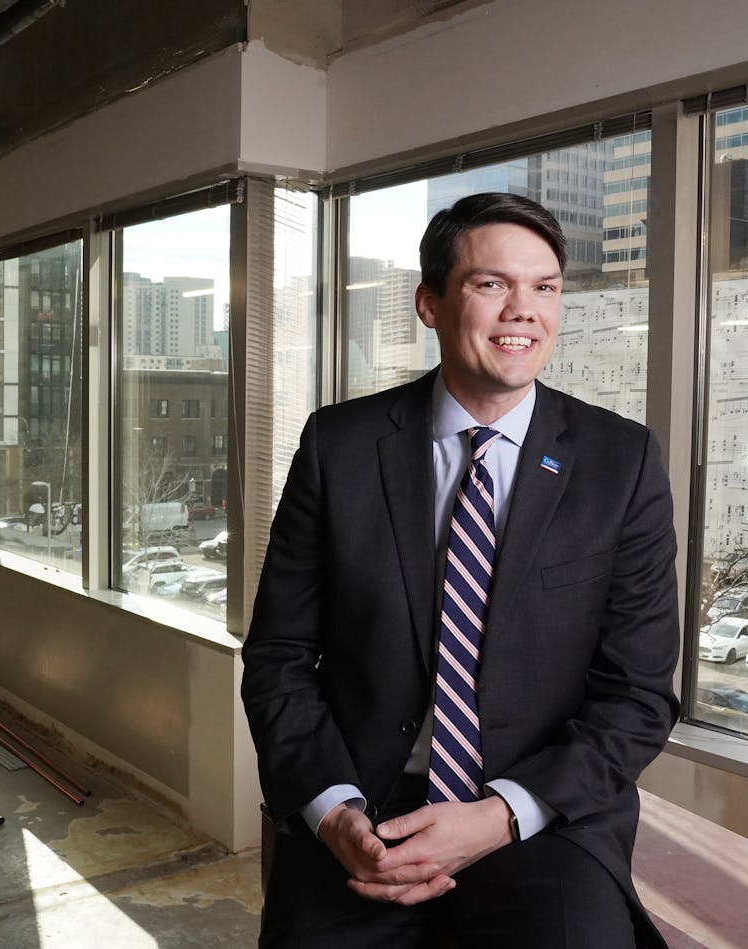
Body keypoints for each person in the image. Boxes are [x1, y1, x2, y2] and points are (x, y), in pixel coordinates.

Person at [241, 192, 680, 948]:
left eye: (544, 288)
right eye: (491, 284)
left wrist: (499, 813)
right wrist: (333, 809)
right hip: (369, 806)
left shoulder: (622, 461)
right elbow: (278, 658)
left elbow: (637, 695)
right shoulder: (337, 447)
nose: (524, 311)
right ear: (429, 303)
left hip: (537, 812)